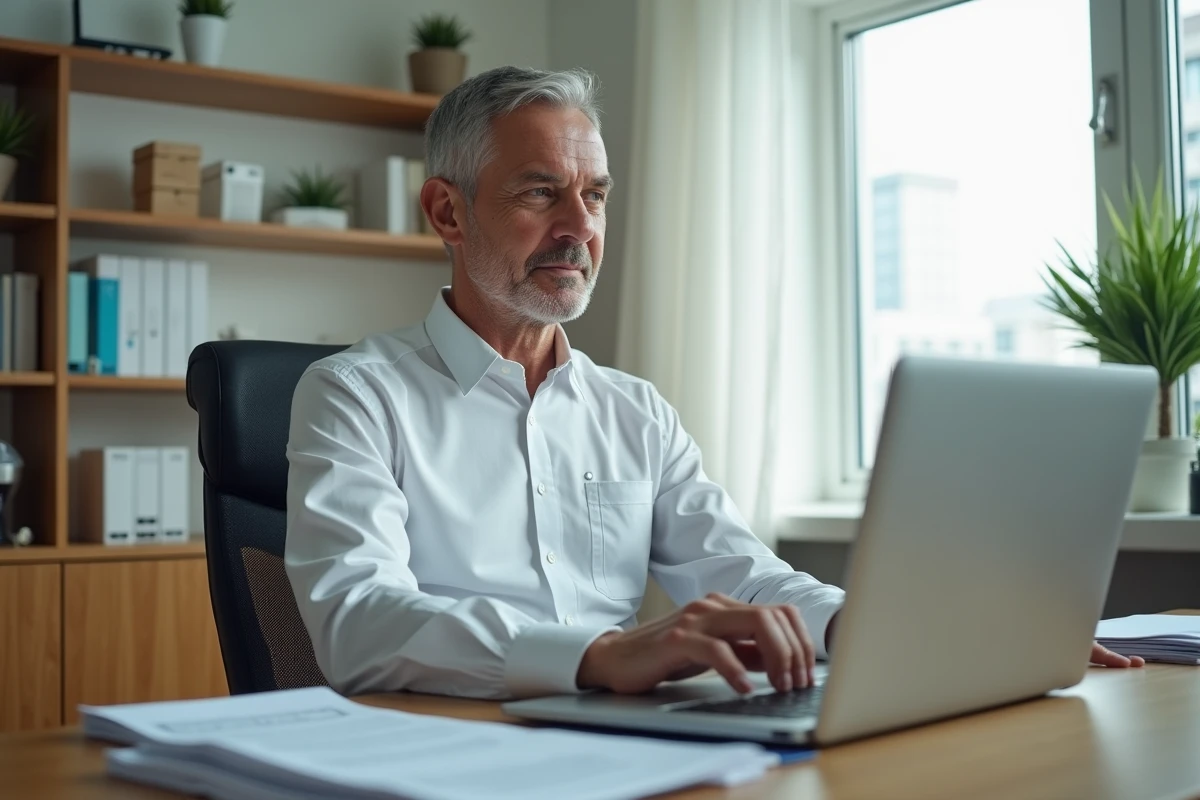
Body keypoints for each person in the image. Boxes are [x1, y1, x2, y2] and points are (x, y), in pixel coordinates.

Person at [284, 66, 1142, 702]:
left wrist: (882, 629)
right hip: (445, 749)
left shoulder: (633, 411)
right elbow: (361, 621)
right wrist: (592, 655)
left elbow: (743, 571)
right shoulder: (355, 394)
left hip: (620, 737)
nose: (580, 227)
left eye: (596, 195)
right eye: (542, 192)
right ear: (447, 211)